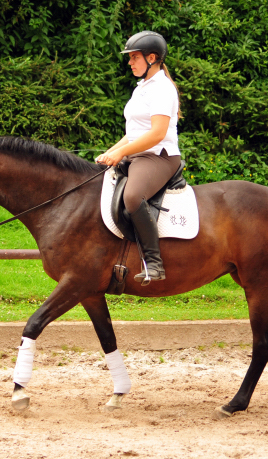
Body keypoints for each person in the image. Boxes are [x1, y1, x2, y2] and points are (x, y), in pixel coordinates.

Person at [96, 31, 182, 285]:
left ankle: (154, 263)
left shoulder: (162, 89)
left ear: (152, 57)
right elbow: (133, 133)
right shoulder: (142, 87)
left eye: (134, 58)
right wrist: (112, 151)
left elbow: (156, 134)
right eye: (130, 58)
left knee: (133, 196)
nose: (130, 63)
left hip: (159, 157)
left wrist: (122, 152)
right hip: (139, 154)